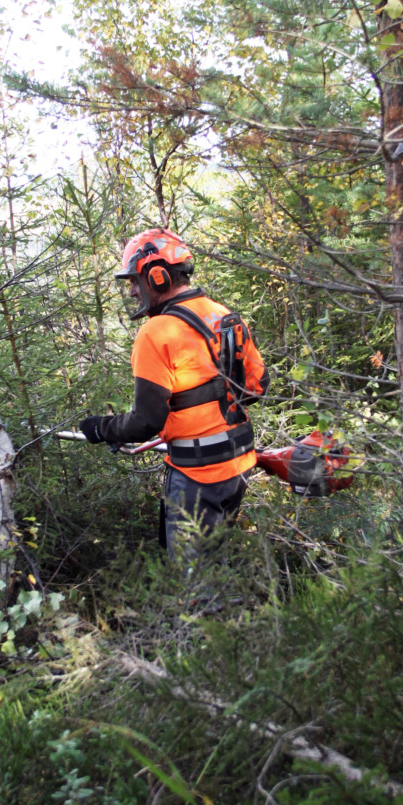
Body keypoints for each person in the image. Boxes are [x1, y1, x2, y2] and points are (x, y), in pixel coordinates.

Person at [80, 228, 269, 559]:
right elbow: (256, 387)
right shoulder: (222, 313)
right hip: (239, 465)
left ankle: (206, 610)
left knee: (194, 583)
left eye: (135, 281)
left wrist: (101, 428)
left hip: (199, 474)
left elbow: (146, 422)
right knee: (216, 557)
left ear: (157, 276)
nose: (133, 292)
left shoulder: (156, 332)